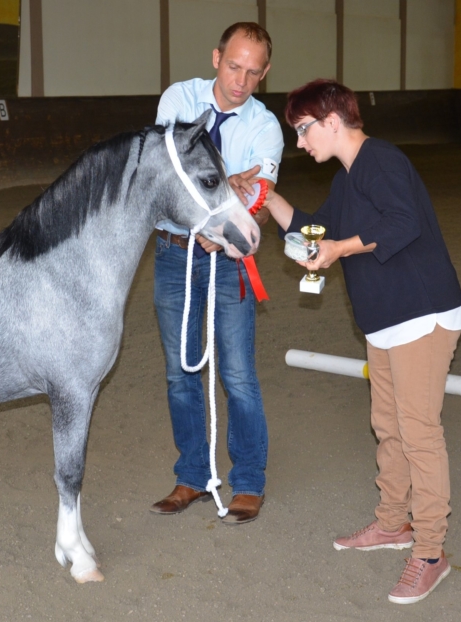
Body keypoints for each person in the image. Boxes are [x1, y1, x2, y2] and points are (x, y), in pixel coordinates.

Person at [262, 79, 461, 603]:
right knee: (388, 425)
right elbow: (314, 231)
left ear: (332, 120)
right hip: (386, 321)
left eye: (303, 130)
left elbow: (404, 223)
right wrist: (265, 198)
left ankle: (430, 552)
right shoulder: (349, 180)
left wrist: (339, 249)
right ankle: (393, 524)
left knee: (419, 432)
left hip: (423, 314)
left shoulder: (382, 160)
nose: (301, 143)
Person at [149, 22, 284, 524]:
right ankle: (193, 476)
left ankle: (248, 481)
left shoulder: (265, 128)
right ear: (216, 57)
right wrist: (225, 183)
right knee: (180, 372)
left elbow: (260, 202)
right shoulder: (176, 102)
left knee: (237, 374)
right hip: (173, 253)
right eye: (233, 66)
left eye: (253, 72)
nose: (240, 81)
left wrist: (228, 214)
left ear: (264, 73)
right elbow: (162, 178)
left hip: (229, 260)